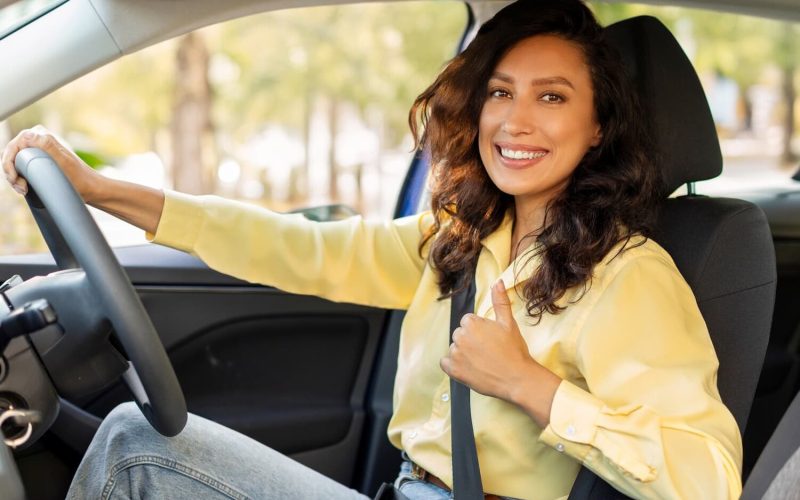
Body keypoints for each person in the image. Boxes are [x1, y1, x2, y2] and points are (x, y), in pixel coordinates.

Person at [2, 1, 743, 498]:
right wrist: (102, 191)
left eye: (551, 97)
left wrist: (531, 385)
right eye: (499, 92)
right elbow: (296, 247)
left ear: (598, 126)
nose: (515, 121)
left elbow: (708, 479)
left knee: (136, 448)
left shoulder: (628, 278)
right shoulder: (461, 238)